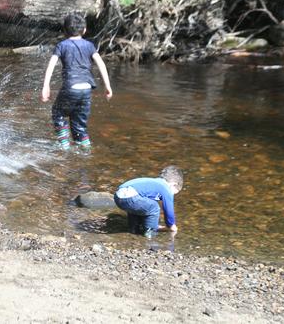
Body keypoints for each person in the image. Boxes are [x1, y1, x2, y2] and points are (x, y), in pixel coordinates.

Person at [41, 13, 112, 149]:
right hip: (86, 89)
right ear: (84, 30)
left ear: (64, 31)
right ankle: (85, 150)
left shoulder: (61, 45)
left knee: (58, 113)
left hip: (70, 87)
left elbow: (51, 65)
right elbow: (101, 64)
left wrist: (46, 86)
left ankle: (64, 145)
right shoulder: (89, 46)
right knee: (79, 124)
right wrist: (107, 86)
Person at [113, 166, 185, 238]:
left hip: (118, 196)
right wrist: (171, 225)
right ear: (174, 184)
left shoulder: (154, 183)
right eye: (174, 193)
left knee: (139, 206)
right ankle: (150, 233)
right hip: (130, 196)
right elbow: (168, 210)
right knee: (154, 207)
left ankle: (134, 228)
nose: (172, 195)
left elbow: (142, 205)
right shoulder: (165, 187)